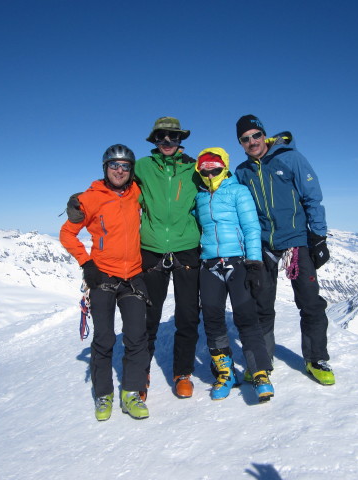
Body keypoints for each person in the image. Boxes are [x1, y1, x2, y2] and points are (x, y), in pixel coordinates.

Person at [234, 115, 335, 385]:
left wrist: (319, 236)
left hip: (297, 241)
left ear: (264, 136)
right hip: (264, 244)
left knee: (310, 302)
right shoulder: (242, 172)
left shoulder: (290, 159)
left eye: (256, 135)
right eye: (245, 139)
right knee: (261, 305)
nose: (252, 142)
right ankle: (261, 361)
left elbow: (312, 195)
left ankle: (316, 359)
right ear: (240, 143)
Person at [60, 144, 151, 421]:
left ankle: (131, 393)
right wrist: (86, 263)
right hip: (103, 276)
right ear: (105, 168)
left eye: (125, 166)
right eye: (114, 165)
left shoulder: (137, 192)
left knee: (137, 337)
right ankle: (104, 395)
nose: (119, 170)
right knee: (104, 338)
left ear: (131, 170)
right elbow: (67, 234)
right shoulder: (91, 198)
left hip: (133, 275)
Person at [194, 147, 275, 402]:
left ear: (224, 166)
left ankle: (259, 372)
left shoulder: (238, 191)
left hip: (238, 261)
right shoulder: (199, 197)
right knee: (212, 319)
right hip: (209, 264)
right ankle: (225, 373)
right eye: (204, 166)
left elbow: (252, 227)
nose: (209, 170)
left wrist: (254, 263)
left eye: (214, 165)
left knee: (246, 317)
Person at [134, 117, 201, 399]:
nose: (167, 142)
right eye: (162, 137)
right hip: (151, 247)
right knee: (149, 315)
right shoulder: (142, 167)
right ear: (154, 140)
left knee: (187, 315)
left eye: (172, 137)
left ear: (180, 139)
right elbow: (116, 189)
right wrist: (83, 200)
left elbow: (219, 190)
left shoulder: (194, 168)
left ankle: (182, 373)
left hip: (186, 246)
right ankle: (140, 372)